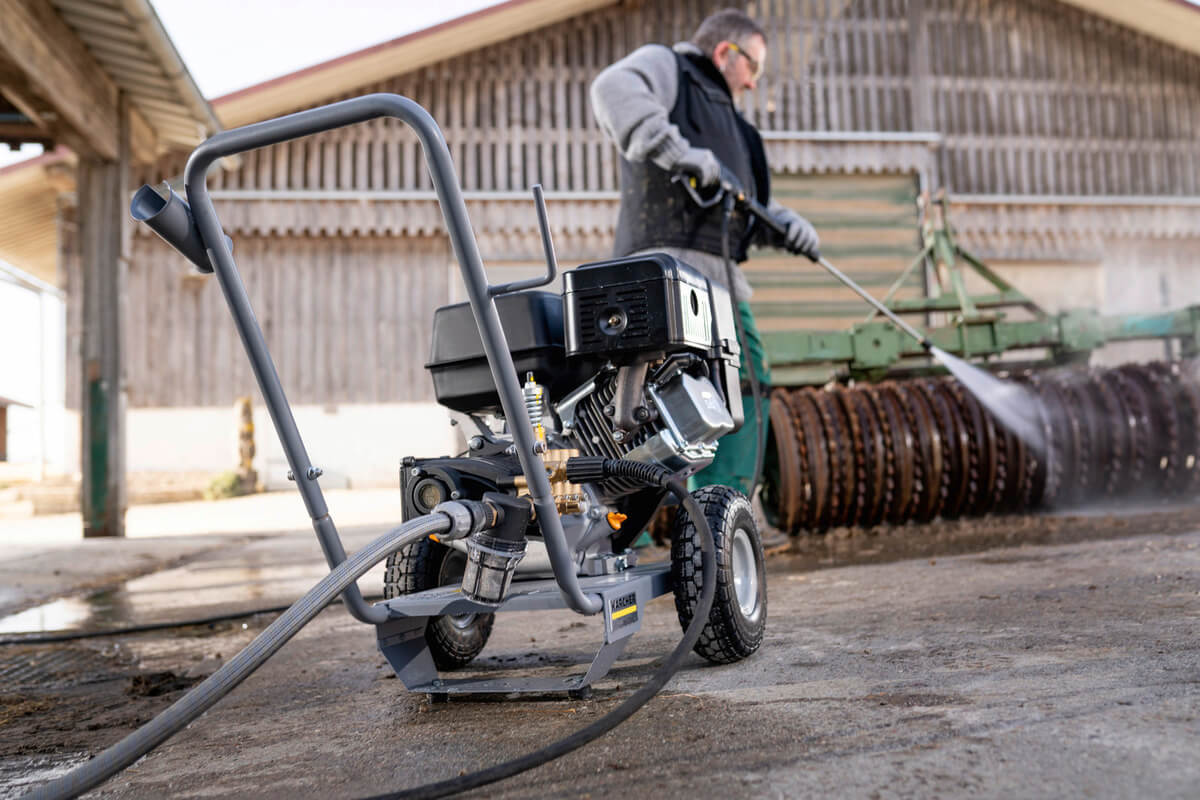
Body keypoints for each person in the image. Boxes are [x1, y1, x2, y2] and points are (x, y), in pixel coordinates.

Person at [589, 8, 819, 498]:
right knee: (637, 394)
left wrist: (786, 226)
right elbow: (611, 88)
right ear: (724, 52)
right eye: (753, 67)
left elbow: (744, 202)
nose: (754, 84)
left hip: (720, 282)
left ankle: (723, 505)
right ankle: (627, 520)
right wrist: (675, 150)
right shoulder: (669, 68)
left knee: (746, 383)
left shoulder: (740, 132)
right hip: (659, 270)